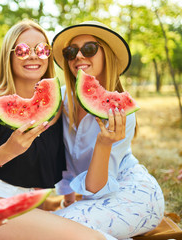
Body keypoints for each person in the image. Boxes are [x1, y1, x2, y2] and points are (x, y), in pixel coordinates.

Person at [0, 19, 109, 240]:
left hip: (29, 205)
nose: (34, 55)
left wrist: (69, 199)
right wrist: (8, 151)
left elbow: (58, 168)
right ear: (9, 55)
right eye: (23, 50)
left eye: (43, 49)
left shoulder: (59, 108)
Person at [51, 21, 165, 239]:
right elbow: (64, 157)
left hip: (136, 196)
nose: (79, 56)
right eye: (71, 51)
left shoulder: (122, 112)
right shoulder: (61, 97)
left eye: (89, 49)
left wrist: (104, 144)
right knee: (45, 226)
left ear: (107, 54)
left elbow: (97, 188)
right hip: (92, 199)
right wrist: (67, 196)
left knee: (53, 228)